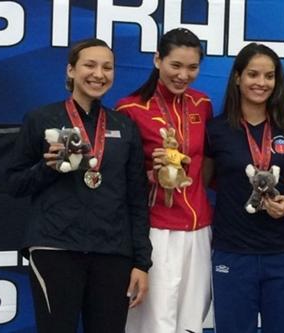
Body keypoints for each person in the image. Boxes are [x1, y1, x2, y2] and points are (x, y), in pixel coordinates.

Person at [6, 38, 152, 333]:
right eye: (90, 65)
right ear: (71, 70)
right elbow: (15, 183)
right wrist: (48, 168)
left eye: (107, 67)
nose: (99, 74)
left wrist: (141, 262)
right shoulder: (41, 118)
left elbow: (136, 198)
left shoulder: (124, 126)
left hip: (112, 252)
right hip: (55, 247)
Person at [204, 42, 284, 333]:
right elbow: (200, 184)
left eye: (269, 76)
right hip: (232, 252)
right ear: (238, 77)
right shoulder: (216, 130)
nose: (261, 83)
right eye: (253, 74)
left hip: (283, 253)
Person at [115, 28, 213, 333]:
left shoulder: (203, 105)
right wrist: (149, 174)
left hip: (198, 228)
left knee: (190, 322)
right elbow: (118, 178)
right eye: (176, 65)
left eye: (192, 67)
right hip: (155, 229)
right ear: (158, 60)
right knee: (155, 322)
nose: (183, 75)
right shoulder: (130, 109)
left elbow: (206, 165)